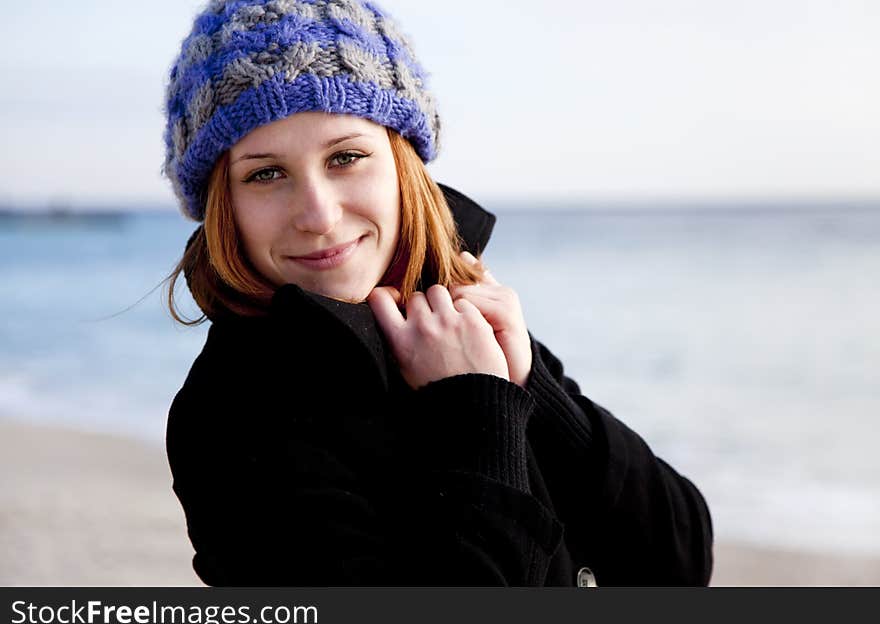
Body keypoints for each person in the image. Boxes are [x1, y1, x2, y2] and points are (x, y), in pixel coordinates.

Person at [163, 0, 713, 586]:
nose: (319, 216)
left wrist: (535, 390)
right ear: (226, 204)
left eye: (346, 157)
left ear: (402, 165)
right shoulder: (232, 415)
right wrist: (479, 409)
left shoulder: (456, 311)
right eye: (265, 174)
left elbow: (680, 562)